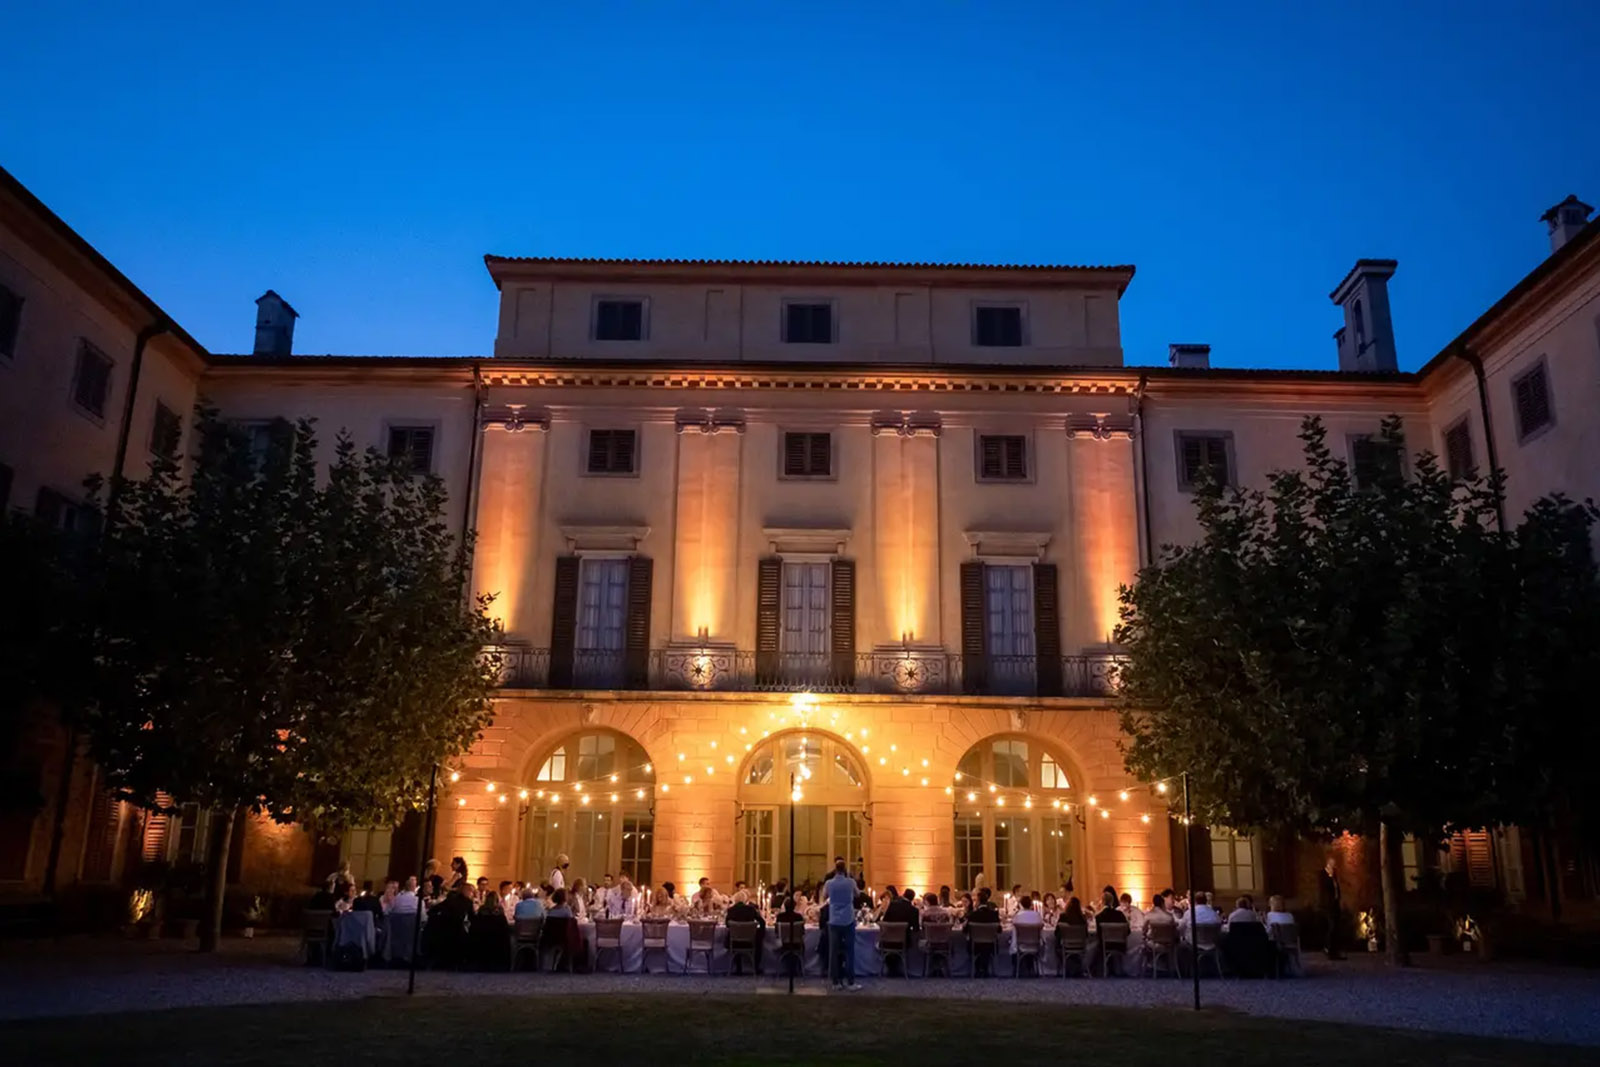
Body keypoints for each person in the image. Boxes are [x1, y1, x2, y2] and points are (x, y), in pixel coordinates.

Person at [825, 859, 861, 991]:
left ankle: (836, 982)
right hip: (848, 919)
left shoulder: (829, 883)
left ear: (835, 869)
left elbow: (825, 896)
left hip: (834, 920)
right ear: (845, 869)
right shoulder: (850, 882)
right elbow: (858, 894)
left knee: (834, 952)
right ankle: (850, 982)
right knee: (849, 951)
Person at [725, 889, 766, 973]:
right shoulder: (751, 909)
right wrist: (760, 933)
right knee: (759, 942)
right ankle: (756, 967)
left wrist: (736, 926)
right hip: (750, 941)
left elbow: (727, 924)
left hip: (734, 942)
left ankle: (738, 967)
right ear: (745, 899)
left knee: (733, 938)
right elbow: (762, 922)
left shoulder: (731, 910)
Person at [1318, 857, 1344, 959]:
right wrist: (1330, 876)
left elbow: (1336, 887)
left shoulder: (1334, 875)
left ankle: (1335, 950)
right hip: (1328, 905)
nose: (1334, 866)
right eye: (1332, 864)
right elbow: (1325, 887)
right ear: (1328, 864)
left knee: (1336, 927)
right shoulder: (1323, 874)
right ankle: (1328, 948)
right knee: (1331, 926)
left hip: (1335, 903)